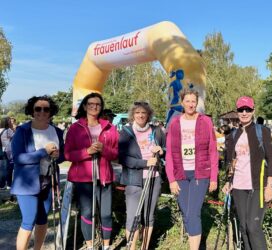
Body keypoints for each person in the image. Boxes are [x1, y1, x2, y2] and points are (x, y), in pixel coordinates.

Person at [166, 88, 218, 250]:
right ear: (182, 103)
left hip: (200, 173)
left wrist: (214, 177)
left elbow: (213, 151)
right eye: (187, 101)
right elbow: (168, 153)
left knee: (192, 213)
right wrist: (171, 180)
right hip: (180, 174)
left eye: (193, 101)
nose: (190, 104)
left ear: (197, 103)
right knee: (186, 213)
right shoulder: (175, 122)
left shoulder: (205, 121)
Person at [65, 92, 119, 250]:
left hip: (104, 177)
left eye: (98, 104)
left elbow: (115, 154)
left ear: (101, 107)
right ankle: (90, 246)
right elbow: (68, 154)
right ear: (84, 106)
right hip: (83, 179)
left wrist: (104, 150)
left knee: (106, 214)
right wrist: (86, 151)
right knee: (87, 213)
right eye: (91, 104)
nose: (94, 107)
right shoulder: (75, 128)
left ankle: (106, 246)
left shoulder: (109, 127)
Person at [222, 96, 272, 250]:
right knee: (244, 228)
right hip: (238, 186)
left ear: (253, 111)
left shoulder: (262, 131)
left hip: (258, 186)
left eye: (248, 109)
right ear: (237, 111)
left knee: (253, 226)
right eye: (241, 110)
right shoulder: (233, 135)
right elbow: (230, 161)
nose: (244, 113)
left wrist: (270, 186)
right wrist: (228, 181)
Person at [11, 96, 64, 250]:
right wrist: (43, 152)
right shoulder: (23, 131)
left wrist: (57, 155)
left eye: (46, 109)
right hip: (27, 183)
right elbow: (18, 158)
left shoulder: (57, 131)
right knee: (29, 220)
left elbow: (62, 157)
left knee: (42, 220)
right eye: (38, 108)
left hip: (48, 181)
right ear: (32, 111)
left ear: (51, 112)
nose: (42, 112)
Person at [118, 101, 166, 250]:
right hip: (134, 179)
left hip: (154, 178)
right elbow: (123, 158)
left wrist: (162, 150)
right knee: (132, 217)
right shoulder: (126, 132)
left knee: (148, 216)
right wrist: (145, 163)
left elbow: (166, 149)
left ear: (148, 115)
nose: (140, 115)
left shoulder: (157, 130)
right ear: (133, 115)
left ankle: (144, 247)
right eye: (137, 113)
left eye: (143, 113)